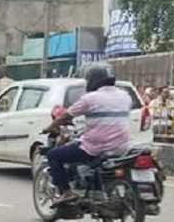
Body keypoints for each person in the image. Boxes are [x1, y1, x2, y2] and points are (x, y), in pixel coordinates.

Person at [43, 64, 133, 204]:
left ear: (93, 80)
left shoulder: (90, 98)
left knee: (53, 155)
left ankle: (66, 192)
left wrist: (50, 127)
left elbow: (66, 116)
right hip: (122, 146)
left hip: (96, 147)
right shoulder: (125, 96)